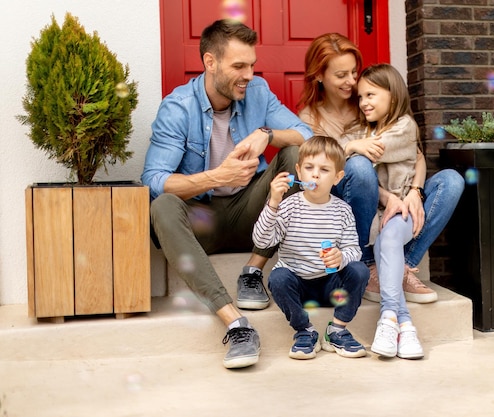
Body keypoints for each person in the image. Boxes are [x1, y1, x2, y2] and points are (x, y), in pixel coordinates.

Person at [141, 19, 313, 369]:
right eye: (239, 66)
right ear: (210, 62)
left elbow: (305, 134)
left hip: (253, 214)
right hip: (203, 220)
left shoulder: (259, 92)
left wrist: (267, 133)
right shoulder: (178, 108)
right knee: (162, 206)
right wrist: (216, 176)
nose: (248, 74)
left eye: (251, 65)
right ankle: (236, 323)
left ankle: (253, 270)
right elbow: (153, 178)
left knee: (296, 157)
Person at [298, 33, 464, 305]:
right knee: (360, 166)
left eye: (354, 72)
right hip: (346, 198)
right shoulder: (310, 118)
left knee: (451, 180)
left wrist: (415, 192)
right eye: (342, 75)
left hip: (396, 195)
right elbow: (318, 170)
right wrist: (354, 151)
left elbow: (416, 154)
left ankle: (404, 265)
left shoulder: (367, 103)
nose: (352, 82)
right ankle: (367, 263)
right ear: (320, 76)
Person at [252, 136, 369, 360]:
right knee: (278, 278)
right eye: (309, 167)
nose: (315, 174)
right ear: (299, 170)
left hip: (330, 286)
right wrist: (273, 202)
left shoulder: (343, 211)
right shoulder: (287, 206)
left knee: (359, 270)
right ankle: (304, 330)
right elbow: (261, 241)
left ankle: (337, 330)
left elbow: (354, 250)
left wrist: (341, 257)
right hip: (298, 287)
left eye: (324, 169)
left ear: (337, 178)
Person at [350, 63, 428, 359]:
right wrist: (352, 145)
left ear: (393, 97)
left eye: (371, 94)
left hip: (403, 212)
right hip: (383, 215)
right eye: (360, 97)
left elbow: (366, 152)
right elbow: (341, 155)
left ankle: (387, 317)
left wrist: (352, 146)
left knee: (391, 239)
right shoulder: (365, 130)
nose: (363, 102)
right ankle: (404, 324)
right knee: (385, 242)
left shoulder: (404, 127)